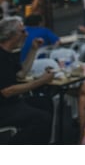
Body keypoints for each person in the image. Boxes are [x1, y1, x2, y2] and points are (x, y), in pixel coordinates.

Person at [0, 16, 55, 144]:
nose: (26, 34)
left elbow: (21, 74)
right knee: (42, 119)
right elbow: (7, 91)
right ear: (11, 35)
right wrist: (41, 81)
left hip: (11, 103)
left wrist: (33, 49)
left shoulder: (9, 53)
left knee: (45, 102)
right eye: (22, 31)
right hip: (4, 108)